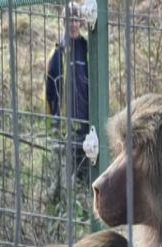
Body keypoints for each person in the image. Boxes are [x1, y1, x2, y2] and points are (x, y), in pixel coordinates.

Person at [45, 4, 90, 182]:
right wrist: (53, 125)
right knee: (65, 180)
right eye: (69, 20)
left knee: (85, 177)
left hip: (87, 126)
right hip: (64, 128)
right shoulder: (57, 53)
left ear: (82, 23)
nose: (73, 24)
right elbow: (49, 92)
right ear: (64, 22)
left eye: (77, 20)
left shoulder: (88, 50)